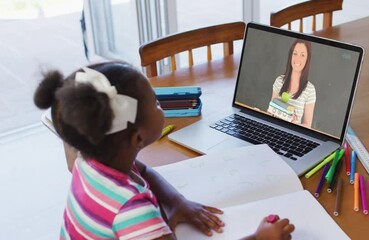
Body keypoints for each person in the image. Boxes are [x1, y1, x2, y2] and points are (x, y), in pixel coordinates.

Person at [34, 61, 295, 239]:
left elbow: (143, 171)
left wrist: (177, 201)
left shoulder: (89, 159)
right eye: (157, 103)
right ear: (138, 137)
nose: (161, 107)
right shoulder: (134, 212)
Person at [271, 39, 316, 128]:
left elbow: (307, 125)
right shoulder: (279, 81)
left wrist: (294, 124)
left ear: (307, 59)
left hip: (293, 133)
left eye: (302, 55)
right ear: (291, 56)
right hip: (274, 128)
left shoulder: (310, 90)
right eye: (295, 53)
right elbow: (271, 111)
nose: (297, 59)